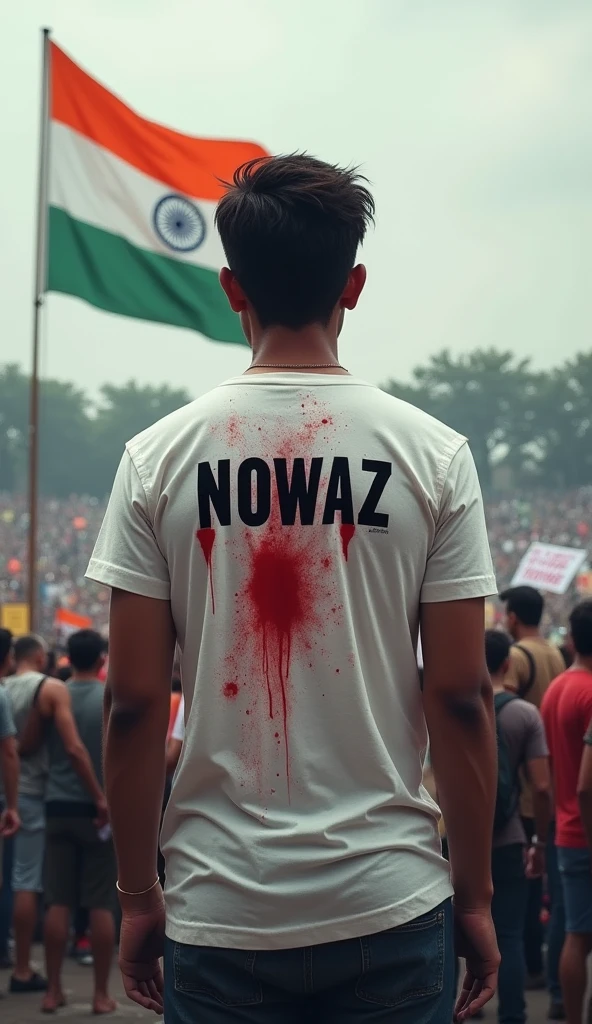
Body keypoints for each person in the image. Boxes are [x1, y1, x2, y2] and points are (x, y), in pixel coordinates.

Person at [88, 153, 500, 1023]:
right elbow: (460, 696)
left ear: (232, 288)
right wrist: (474, 897)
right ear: (353, 285)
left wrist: (135, 896)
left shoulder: (155, 459)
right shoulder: (433, 456)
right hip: (389, 899)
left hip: (218, 906)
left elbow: (130, 704)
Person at [4, 634, 106, 994]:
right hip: (53, 799)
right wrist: (101, 797)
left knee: (45, 892)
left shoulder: (12, 690)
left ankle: (43, 983)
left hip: (38, 798)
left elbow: (21, 744)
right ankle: (96, 993)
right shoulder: (52, 690)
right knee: (38, 883)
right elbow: (75, 748)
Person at [36, 629, 116, 1014]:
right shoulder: (109, 698)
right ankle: (101, 995)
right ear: (101, 659)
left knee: (58, 900)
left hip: (58, 805)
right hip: (99, 812)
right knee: (101, 902)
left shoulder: (55, 697)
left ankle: (53, 990)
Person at [499, 585, 565, 990]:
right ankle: (543, 967)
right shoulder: (555, 653)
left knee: (522, 885)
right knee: (543, 880)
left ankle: (528, 966)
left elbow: (504, 722)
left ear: (512, 617)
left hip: (524, 787)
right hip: (550, 776)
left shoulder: (518, 658)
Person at [485, 629, 552, 1024]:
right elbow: (542, 786)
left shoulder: (447, 707)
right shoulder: (524, 714)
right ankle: (513, 1015)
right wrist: (540, 842)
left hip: (455, 839)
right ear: (507, 664)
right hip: (509, 838)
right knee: (507, 934)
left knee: (461, 931)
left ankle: (465, 1007)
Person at [541, 600, 592, 1024]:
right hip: (585, 832)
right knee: (578, 937)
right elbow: (585, 784)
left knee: (574, 932)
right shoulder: (590, 692)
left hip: (564, 828)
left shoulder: (557, 687)